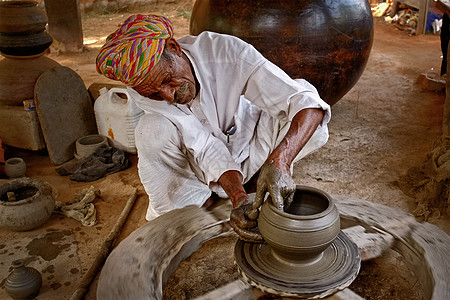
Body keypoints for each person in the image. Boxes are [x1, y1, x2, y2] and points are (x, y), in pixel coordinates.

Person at [96, 14, 331, 242]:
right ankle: (197, 204)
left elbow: (305, 102)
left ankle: (260, 182)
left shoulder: (227, 53)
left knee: (309, 115)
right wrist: (238, 198)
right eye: (154, 93)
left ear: (174, 48)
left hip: (250, 145)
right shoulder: (144, 90)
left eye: (167, 80)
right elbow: (204, 146)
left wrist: (281, 160)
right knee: (151, 130)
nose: (167, 95)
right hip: (197, 165)